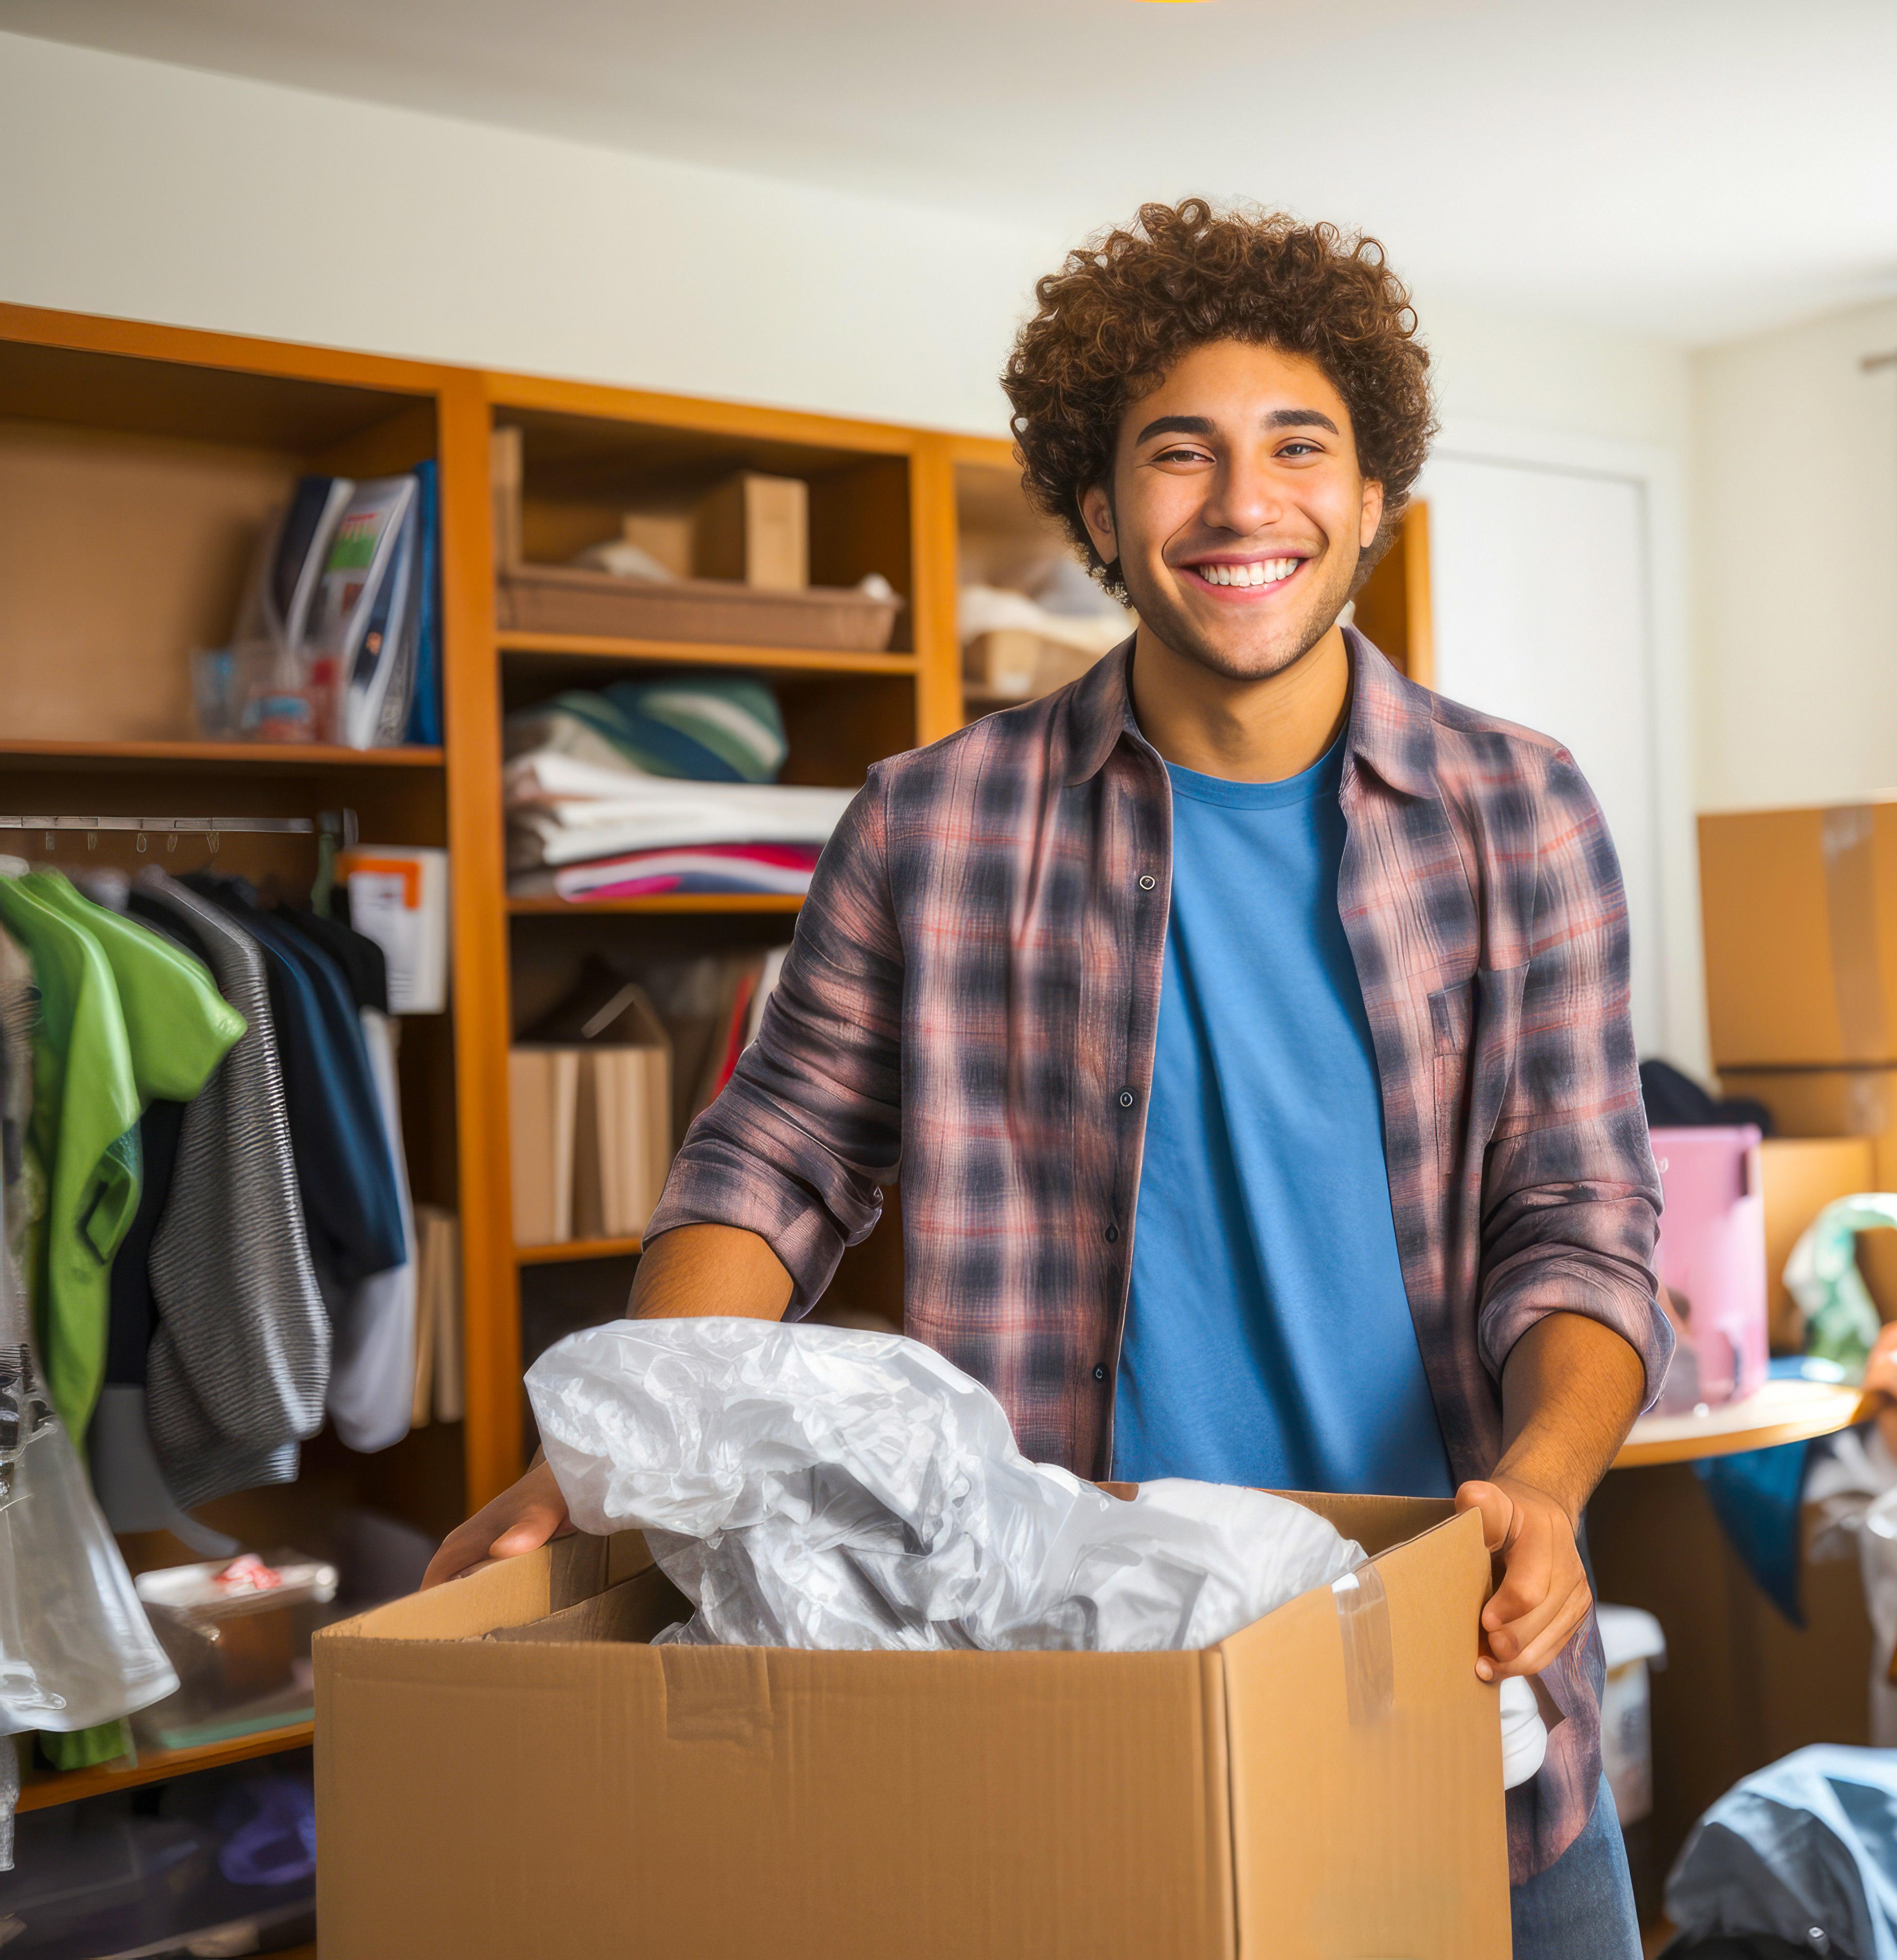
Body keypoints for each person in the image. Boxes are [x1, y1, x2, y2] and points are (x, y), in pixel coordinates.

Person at [423, 199, 1670, 1955]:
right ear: (1099, 509)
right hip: (1075, 1693)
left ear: (1374, 496)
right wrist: (630, 1446)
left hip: (1444, 1682)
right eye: (1181, 455)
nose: (1244, 506)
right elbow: (775, 1164)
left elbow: (1583, 1216)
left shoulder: (1517, 812)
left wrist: (1544, 1482)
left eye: (1298, 448)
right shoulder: (933, 824)